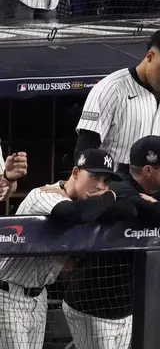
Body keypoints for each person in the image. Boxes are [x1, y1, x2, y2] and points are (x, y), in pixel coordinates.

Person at [62, 136, 160, 349]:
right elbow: (154, 213)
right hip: (92, 300)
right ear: (148, 170)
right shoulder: (119, 185)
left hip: (127, 306)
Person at [0, 148, 118, 349]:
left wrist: (109, 198)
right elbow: (74, 214)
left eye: (106, 181)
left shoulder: (87, 205)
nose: (100, 186)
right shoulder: (44, 194)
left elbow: (130, 208)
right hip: (9, 294)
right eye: (94, 176)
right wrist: (110, 196)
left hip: (39, 297)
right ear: (75, 173)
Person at [75, 27, 160, 171]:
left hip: (157, 191)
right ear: (149, 56)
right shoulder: (111, 89)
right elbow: (84, 154)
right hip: (113, 185)